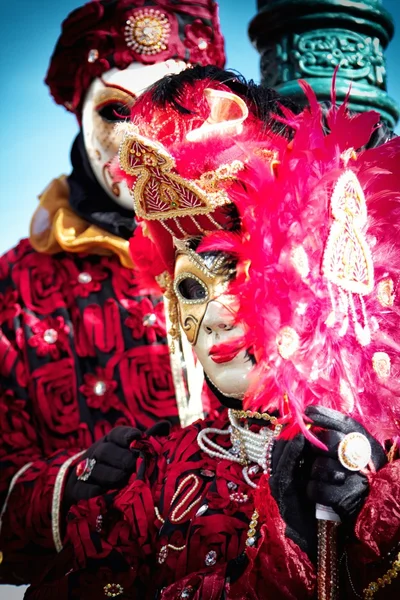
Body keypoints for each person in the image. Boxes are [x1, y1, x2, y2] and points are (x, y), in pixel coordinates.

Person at [24, 66, 400, 599]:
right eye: (194, 290)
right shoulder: (150, 480)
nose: (219, 312)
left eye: (244, 273)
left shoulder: (390, 477)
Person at [0, 0, 226, 585]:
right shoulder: (15, 289)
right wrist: (67, 486)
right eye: (115, 113)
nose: (141, 141)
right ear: (80, 121)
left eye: (171, 107)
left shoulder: (263, 255)